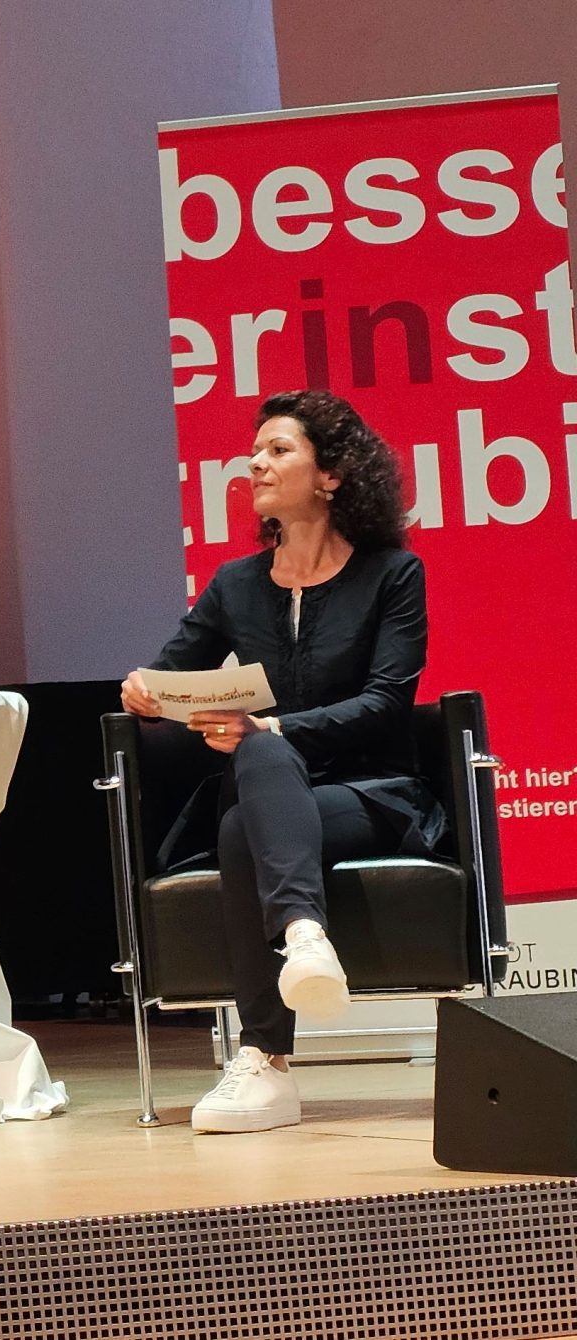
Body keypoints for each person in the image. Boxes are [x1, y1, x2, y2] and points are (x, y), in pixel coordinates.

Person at [122, 389, 434, 1135]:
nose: (256, 462)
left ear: (331, 476)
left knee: (255, 783)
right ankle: (304, 939)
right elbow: (169, 680)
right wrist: (144, 692)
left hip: (369, 795)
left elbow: (389, 700)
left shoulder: (393, 574)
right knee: (247, 805)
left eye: (278, 449)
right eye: (256, 450)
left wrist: (273, 726)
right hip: (270, 795)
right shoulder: (236, 583)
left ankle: (265, 1057)